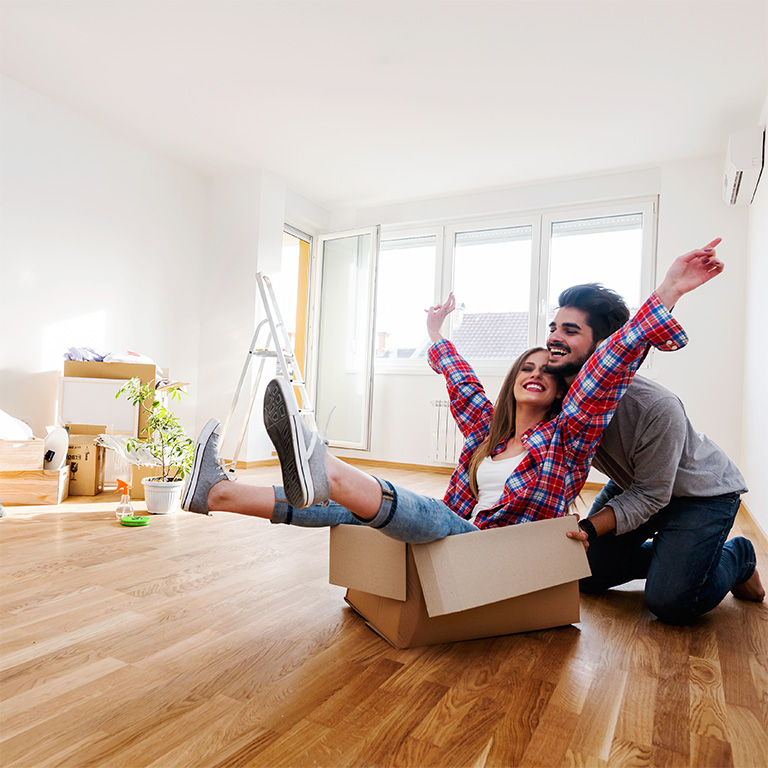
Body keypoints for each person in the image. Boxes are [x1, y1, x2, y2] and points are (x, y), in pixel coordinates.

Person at [181, 242, 720, 547]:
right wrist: (437, 333)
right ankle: (217, 495)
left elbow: (611, 364)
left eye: (548, 371)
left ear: (565, 393)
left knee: (417, 510)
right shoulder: (491, 433)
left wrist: (668, 291)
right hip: (460, 537)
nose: (538, 368)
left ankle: (327, 464)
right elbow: (461, 383)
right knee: (348, 511)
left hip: (496, 551)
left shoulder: (570, 432)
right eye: (526, 365)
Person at [548, 252, 765, 623]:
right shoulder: (557, 398)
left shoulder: (654, 406)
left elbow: (653, 495)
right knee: (586, 576)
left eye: (570, 331)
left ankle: (737, 556)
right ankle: (679, 559)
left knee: (672, 603)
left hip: (701, 496)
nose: (554, 337)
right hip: (634, 484)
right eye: (552, 328)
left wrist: (586, 528)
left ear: (603, 347)